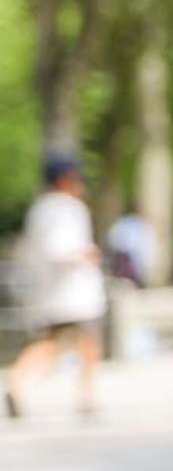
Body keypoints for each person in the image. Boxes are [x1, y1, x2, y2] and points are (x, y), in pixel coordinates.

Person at [5, 156, 107, 420]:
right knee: (68, 345)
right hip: (71, 293)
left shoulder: (40, 209)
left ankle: (21, 384)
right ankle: (85, 396)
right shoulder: (65, 209)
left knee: (62, 344)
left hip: (55, 292)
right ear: (65, 179)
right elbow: (60, 249)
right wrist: (86, 255)